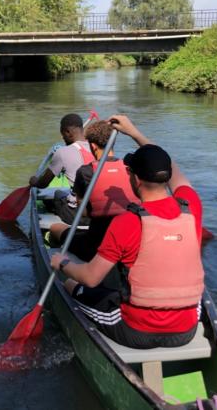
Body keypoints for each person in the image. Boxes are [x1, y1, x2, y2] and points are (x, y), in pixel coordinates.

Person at [50, 115, 205, 349]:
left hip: (137, 332)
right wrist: (134, 132)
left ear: (135, 178)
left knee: (72, 284)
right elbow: (171, 166)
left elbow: (91, 277)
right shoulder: (191, 206)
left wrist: (61, 264)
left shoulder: (127, 222)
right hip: (187, 330)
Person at [49, 120, 140, 262]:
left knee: (55, 228)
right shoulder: (131, 168)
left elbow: (83, 212)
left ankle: (60, 263)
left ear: (92, 146)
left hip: (95, 245)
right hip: (129, 240)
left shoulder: (85, 171)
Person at [29, 113, 94, 224]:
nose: (62, 138)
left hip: (79, 216)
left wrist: (34, 181)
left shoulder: (62, 152)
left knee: (58, 194)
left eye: (62, 134)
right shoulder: (97, 147)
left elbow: (43, 184)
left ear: (68, 132)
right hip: (98, 211)